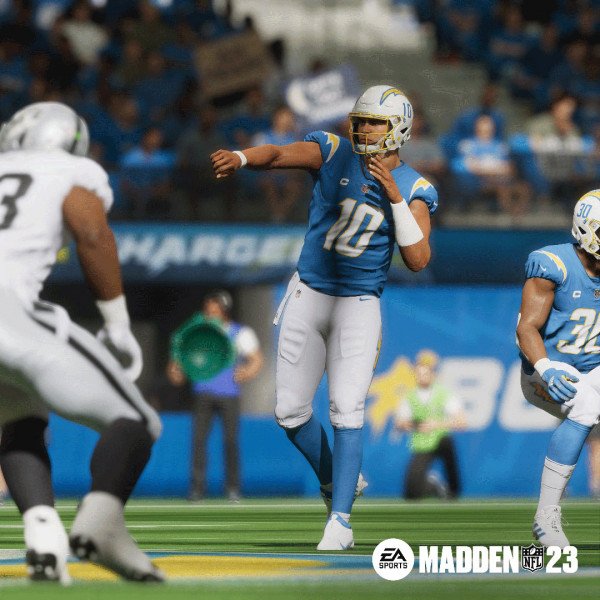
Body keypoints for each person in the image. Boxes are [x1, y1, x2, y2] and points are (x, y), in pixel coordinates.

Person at [211, 85, 438, 550]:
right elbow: (279, 153)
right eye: (362, 119)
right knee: (289, 411)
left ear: (398, 129)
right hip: (309, 293)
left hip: (358, 303)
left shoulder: (415, 186)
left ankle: (340, 521)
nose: (364, 128)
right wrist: (242, 157)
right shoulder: (334, 151)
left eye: (375, 122)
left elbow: (418, 259)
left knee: (347, 408)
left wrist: (394, 196)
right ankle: (336, 476)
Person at [0, 102, 164, 582]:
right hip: (9, 311)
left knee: (19, 417)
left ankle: (44, 540)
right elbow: (91, 231)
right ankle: (101, 526)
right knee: (136, 422)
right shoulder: (70, 169)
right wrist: (116, 322)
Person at [516, 188, 600, 548]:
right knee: (586, 406)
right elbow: (527, 328)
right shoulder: (554, 264)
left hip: (594, 368)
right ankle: (545, 518)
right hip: (547, 369)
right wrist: (546, 368)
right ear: (585, 229)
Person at [168, 290, 264, 501]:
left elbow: (256, 359)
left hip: (229, 394)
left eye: (215, 311)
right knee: (199, 440)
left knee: (230, 441)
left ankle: (233, 488)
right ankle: (197, 488)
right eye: (208, 310)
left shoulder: (239, 333)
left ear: (224, 311)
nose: (210, 314)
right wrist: (176, 370)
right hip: (203, 392)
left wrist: (247, 372)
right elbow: (179, 357)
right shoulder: (198, 332)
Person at [395, 350, 466, 500]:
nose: (422, 377)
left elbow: (461, 422)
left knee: (447, 444)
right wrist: (415, 425)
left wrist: (437, 424)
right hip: (423, 444)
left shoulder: (443, 394)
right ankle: (434, 486)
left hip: (440, 439)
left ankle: (453, 489)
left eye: (426, 373)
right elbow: (400, 423)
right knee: (411, 492)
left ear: (433, 375)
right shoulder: (409, 396)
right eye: (419, 374)